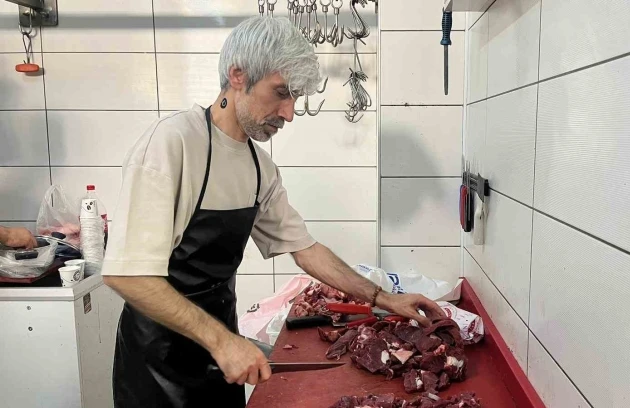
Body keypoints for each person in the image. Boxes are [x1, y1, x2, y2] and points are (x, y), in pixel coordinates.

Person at [101, 16, 444, 408]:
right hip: (156, 366)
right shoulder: (173, 143)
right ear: (238, 75)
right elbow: (127, 274)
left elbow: (305, 249)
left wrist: (383, 298)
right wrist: (222, 342)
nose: (289, 113)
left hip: (221, 357)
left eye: (294, 98)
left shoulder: (258, 167)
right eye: (281, 93)